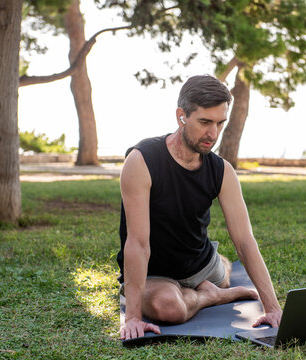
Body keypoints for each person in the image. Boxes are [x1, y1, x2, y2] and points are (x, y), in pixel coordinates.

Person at [118, 75, 282, 340]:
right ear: (181, 116)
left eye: (220, 123)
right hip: (156, 274)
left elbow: (244, 240)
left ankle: (220, 272)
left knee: (220, 273)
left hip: (202, 264)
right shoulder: (142, 161)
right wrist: (133, 317)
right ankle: (211, 296)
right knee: (169, 308)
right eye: (205, 122)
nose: (213, 134)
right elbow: (137, 243)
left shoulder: (222, 171)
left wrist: (273, 308)